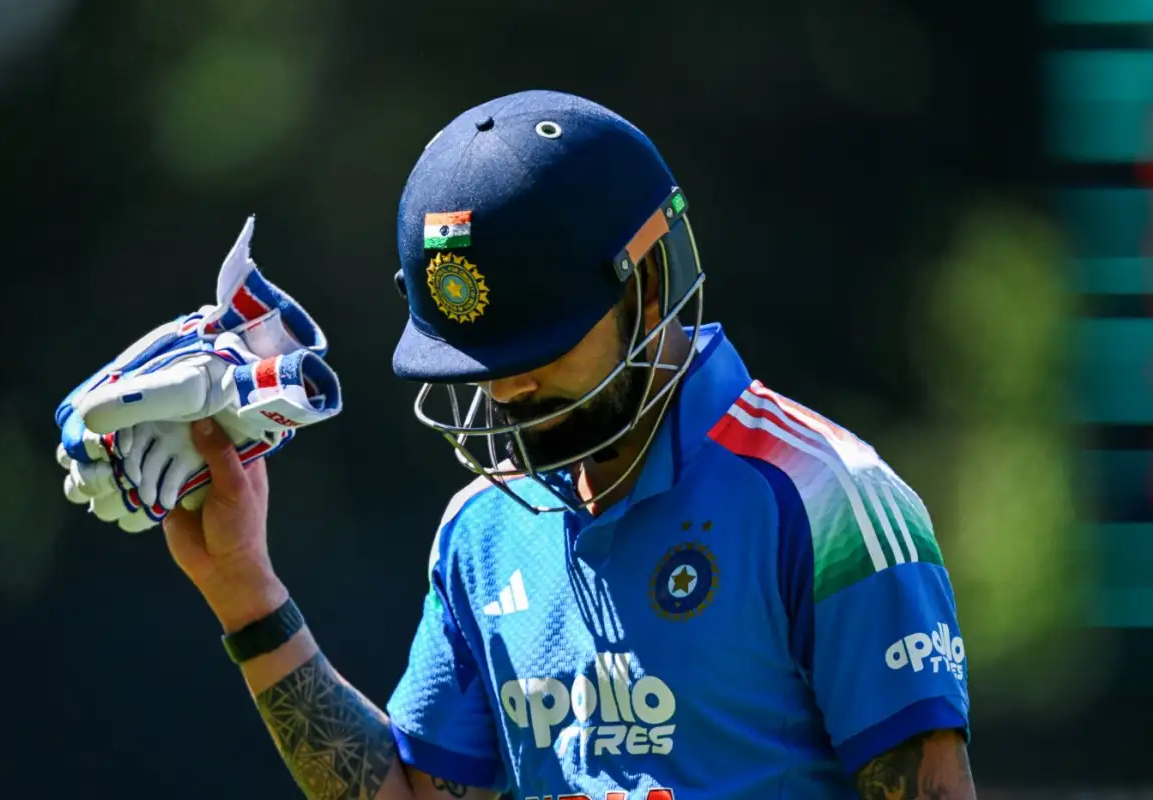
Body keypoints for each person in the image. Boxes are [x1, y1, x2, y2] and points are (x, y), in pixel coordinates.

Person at [158, 90, 975, 799]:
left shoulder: (824, 497)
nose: (508, 390)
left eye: (538, 350)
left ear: (647, 286)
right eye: (484, 364)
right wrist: (244, 590)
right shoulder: (480, 530)